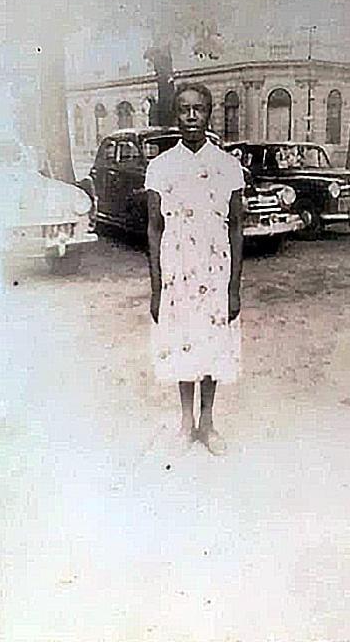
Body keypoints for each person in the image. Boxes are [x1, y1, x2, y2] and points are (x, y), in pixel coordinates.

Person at [145, 82, 245, 456]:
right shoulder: (160, 167)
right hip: (177, 273)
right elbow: (154, 228)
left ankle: (208, 423)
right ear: (176, 115)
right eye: (184, 109)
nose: (191, 116)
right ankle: (186, 424)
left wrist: (233, 288)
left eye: (198, 109)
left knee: (213, 345)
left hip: (215, 272)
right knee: (183, 344)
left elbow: (236, 227)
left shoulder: (227, 166)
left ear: (208, 113)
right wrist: (157, 288)